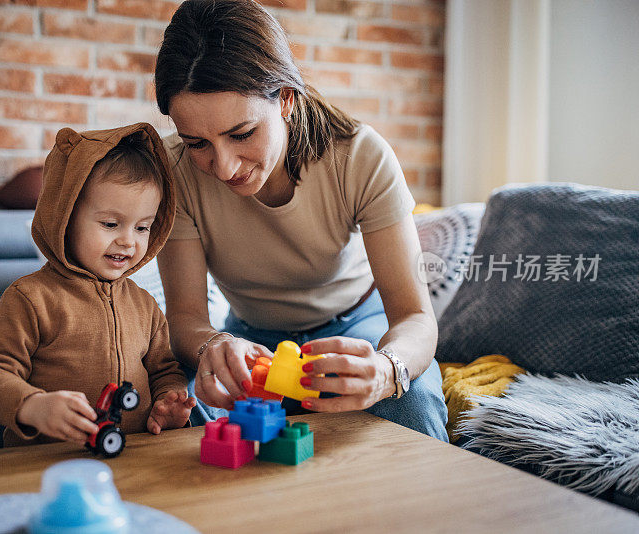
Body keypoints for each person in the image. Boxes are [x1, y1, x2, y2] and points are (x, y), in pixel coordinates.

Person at [153, 0, 448, 440]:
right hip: (250, 338)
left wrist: (388, 370)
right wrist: (213, 345)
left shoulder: (359, 157)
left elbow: (415, 318)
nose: (224, 166)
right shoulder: (175, 173)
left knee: (414, 402)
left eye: (242, 134)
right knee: (183, 411)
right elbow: (186, 318)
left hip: (355, 324)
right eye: (197, 143)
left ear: (286, 99)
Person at [0, 124, 195, 447]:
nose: (128, 241)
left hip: (135, 457)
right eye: (110, 223)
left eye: (143, 227)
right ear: (65, 216)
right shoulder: (31, 298)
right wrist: (32, 405)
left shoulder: (145, 305)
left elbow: (164, 370)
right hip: (45, 462)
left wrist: (169, 400)